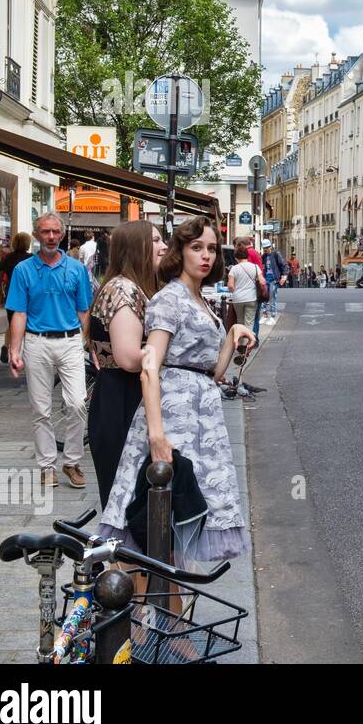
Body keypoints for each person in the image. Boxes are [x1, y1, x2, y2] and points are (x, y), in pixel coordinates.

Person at [97, 215, 255, 561]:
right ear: (179, 252)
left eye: (212, 249)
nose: (206, 256)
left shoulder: (201, 300)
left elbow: (211, 371)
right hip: (175, 414)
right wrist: (156, 435)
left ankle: (167, 613)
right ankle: (148, 610)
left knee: (181, 524)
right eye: (196, 247)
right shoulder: (171, 298)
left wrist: (232, 335)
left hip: (201, 415)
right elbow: (149, 366)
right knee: (159, 532)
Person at [5, 213, 93, 489]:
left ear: (63, 234)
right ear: (36, 235)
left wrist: (88, 345)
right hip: (36, 342)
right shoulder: (24, 271)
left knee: (78, 403)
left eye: (56, 232)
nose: (51, 237)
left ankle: (71, 461)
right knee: (40, 408)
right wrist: (14, 350)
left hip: (70, 342)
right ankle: (47, 466)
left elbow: (84, 311)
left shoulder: (77, 269)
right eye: (45, 232)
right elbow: (18, 312)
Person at [87, 221, 165, 509]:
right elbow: (129, 358)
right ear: (137, 248)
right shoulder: (123, 289)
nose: (164, 246)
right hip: (122, 400)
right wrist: (173, 354)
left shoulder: (134, 287)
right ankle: (125, 556)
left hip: (123, 397)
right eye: (155, 240)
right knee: (128, 502)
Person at [0, 232, 33, 363]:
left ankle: (7, 346)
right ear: (27, 243)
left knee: (12, 323)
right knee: (27, 326)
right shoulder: (32, 259)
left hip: (11, 296)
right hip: (28, 297)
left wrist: (1, 294)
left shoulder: (7, 258)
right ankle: (20, 353)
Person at [227, 237, 266, 341]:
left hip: (238, 299)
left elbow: (230, 286)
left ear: (236, 257)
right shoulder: (255, 267)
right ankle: (247, 346)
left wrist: (234, 289)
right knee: (249, 322)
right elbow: (262, 282)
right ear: (247, 256)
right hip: (251, 298)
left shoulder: (234, 269)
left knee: (240, 322)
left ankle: (239, 343)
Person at [261, 240, 289, 321]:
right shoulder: (264, 256)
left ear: (270, 247)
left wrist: (284, 276)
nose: (265, 249)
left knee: (273, 296)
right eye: (264, 248)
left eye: (266, 247)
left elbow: (284, 265)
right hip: (266, 278)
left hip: (274, 279)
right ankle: (265, 313)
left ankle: (273, 315)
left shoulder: (276, 254)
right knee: (264, 296)